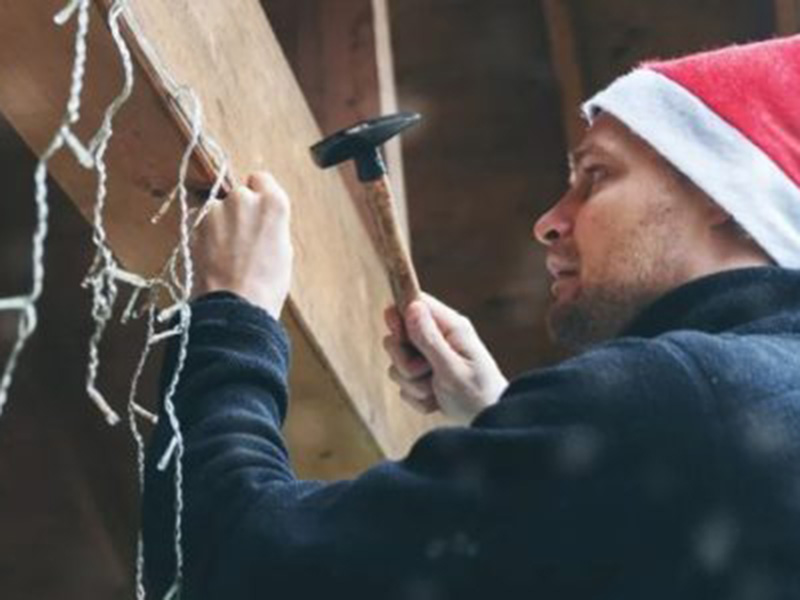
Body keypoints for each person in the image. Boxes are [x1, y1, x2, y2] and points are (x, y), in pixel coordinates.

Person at [144, 36, 800, 598]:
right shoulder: (753, 404)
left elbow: (236, 568)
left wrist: (233, 311)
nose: (550, 222)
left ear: (726, 195)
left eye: (596, 177)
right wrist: (510, 423)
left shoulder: (667, 401)